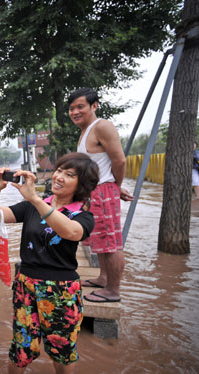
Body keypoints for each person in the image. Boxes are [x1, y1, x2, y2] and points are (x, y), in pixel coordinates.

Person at [0, 153, 99, 374]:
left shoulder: (82, 216)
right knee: (22, 345)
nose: (59, 177)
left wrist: (36, 200)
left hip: (61, 292)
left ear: (82, 185)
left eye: (69, 175)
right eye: (59, 170)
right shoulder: (31, 207)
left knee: (62, 348)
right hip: (25, 285)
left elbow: (71, 232)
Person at [68, 87, 133, 303]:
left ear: (94, 106)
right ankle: (104, 278)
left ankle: (113, 291)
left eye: (80, 107)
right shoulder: (86, 130)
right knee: (101, 240)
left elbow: (119, 160)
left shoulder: (101, 126)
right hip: (96, 192)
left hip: (103, 192)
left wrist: (114, 187)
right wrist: (115, 187)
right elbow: (102, 165)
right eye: (71, 108)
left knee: (111, 242)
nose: (75, 112)